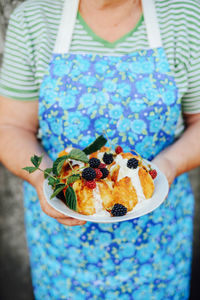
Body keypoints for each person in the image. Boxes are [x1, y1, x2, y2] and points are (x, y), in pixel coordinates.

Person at [0, 0, 200, 298]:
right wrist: (46, 181)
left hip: (158, 244)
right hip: (64, 250)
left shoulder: (185, 17)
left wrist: (165, 169)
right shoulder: (34, 18)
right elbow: (10, 127)